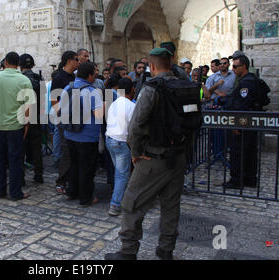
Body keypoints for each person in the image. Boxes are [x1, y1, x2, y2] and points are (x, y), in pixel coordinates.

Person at [105, 48, 198, 260]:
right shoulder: (189, 87)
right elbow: (194, 125)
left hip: (154, 156)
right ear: (172, 62)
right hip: (178, 156)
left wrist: (135, 153)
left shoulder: (152, 88)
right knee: (171, 206)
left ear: (152, 67)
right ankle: (166, 250)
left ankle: (128, 251)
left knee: (131, 203)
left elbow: (136, 125)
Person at [0, 51, 32, 201]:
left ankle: (0, 191)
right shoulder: (24, 80)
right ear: (18, 64)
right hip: (15, 127)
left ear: (5, 62)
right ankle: (15, 192)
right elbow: (28, 105)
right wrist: (26, 124)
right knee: (15, 161)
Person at [60, 62, 104, 208]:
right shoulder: (92, 91)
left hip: (70, 133)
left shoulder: (68, 87)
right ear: (90, 75)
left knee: (73, 165)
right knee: (87, 168)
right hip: (87, 136)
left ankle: (72, 192)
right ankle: (86, 198)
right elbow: (98, 115)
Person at [223, 52, 259, 189]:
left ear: (244, 67)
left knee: (238, 152)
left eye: (235, 67)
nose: (233, 69)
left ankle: (237, 180)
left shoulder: (246, 83)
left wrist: (237, 124)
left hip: (243, 123)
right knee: (249, 152)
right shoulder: (249, 80)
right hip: (249, 123)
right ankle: (249, 178)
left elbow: (242, 106)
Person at [105, 77, 135, 216]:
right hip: (121, 142)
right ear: (132, 89)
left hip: (110, 139)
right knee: (121, 175)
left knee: (120, 173)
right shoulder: (131, 106)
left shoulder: (114, 103)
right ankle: (115, 204)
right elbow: (134, 128)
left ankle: (121, 199)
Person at [50, 51, 79, 194]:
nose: (78, 62)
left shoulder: (74, 76)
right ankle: (61, 181)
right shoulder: (59, 77)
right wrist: (61, 116)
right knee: (66, 150)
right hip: (65, 120)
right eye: (76, 59)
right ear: (69, 61)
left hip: (76, 118)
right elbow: (54, 100)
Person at [19, 53, 44, 184]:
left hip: (22, 117)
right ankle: (38, 175)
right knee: (36, 148)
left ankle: (21, 177)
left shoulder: (19, 79)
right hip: (36, 116)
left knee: (20, 148)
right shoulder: (38, 78)